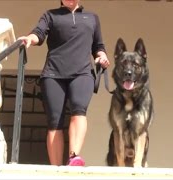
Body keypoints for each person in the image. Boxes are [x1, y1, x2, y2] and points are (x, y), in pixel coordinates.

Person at [18, 0, 110, 166]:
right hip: (53, 73)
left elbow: (98, 45)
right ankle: (56, 168)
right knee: (54, 122)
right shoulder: (51, 15)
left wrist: (101, 56)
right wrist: (29, 39)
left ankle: (74, 157)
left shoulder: (92, 18)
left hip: (82, 72)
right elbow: (38, 33)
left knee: (79, 110)